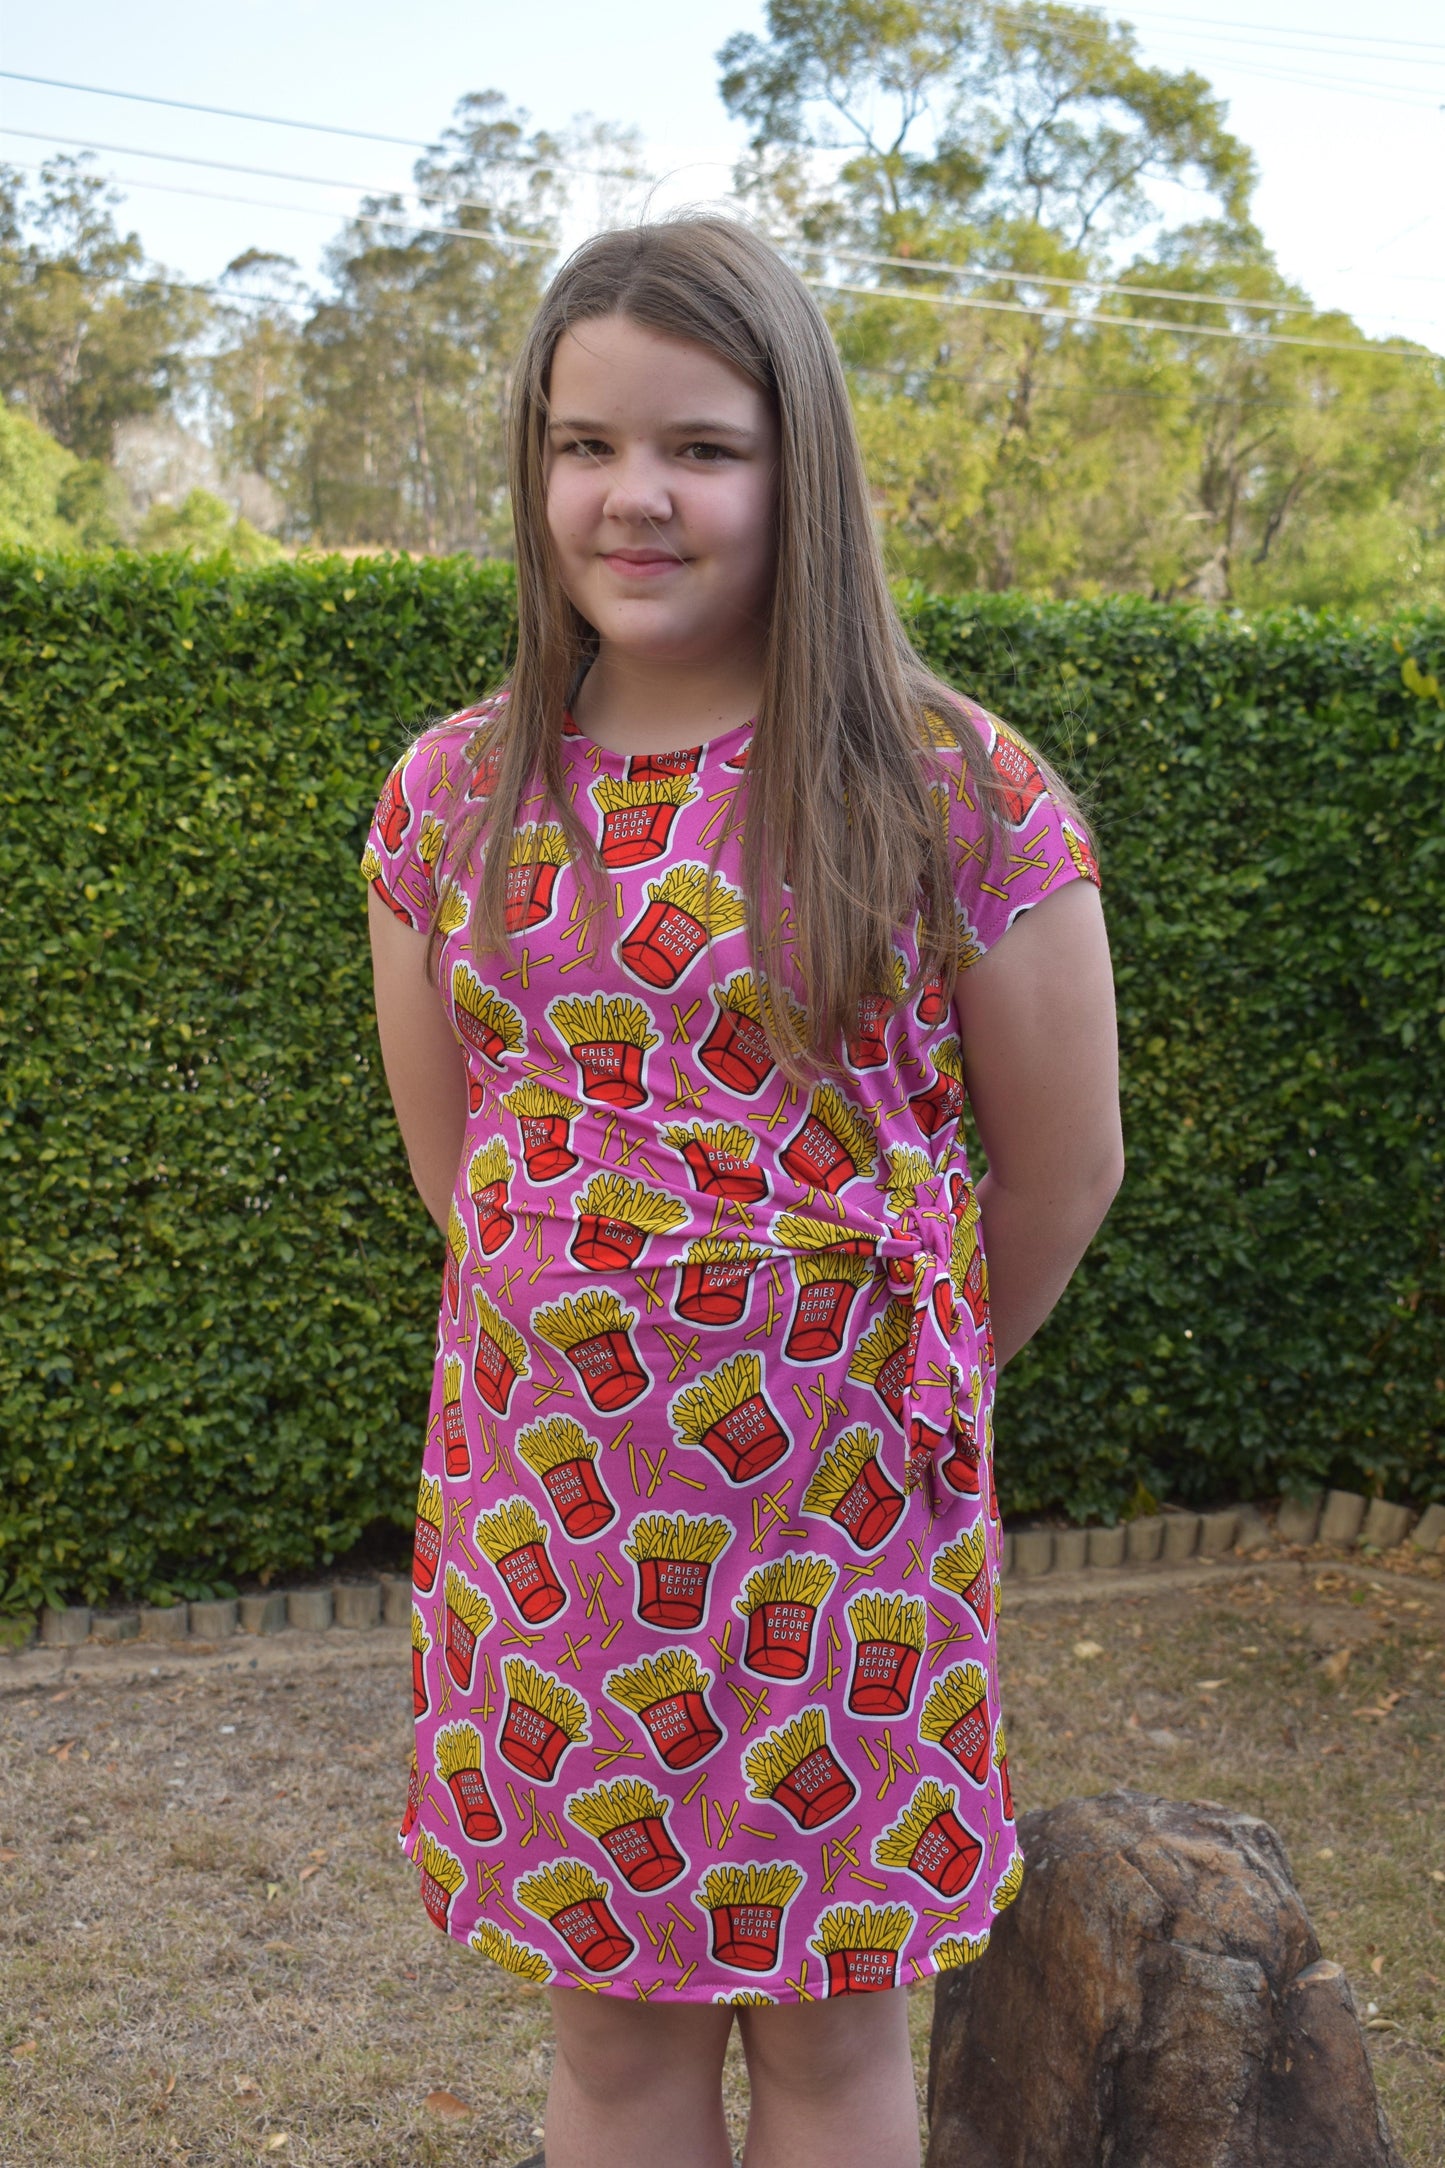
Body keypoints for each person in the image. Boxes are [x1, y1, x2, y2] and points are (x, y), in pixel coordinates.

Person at [361, 215, 1123, 2168]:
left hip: (843, 1526)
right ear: (535, 468)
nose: (633, 494)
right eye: (584, 444)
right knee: (613, 2048)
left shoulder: (950, 788)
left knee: (832, 2048)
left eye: (699, 446)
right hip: (556, 1535)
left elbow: (1062, 1168)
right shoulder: (451, 797)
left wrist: (868, 1376)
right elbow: (466, 1172)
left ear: (801, 469)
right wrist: (608, 1343)